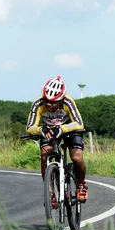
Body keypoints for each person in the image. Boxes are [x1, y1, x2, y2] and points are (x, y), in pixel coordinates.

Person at [26, 75, 88, 203]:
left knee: (77, 157)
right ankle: (50, 192)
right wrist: (41, 130)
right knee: (45, 153)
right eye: (46, 100)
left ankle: (81, 185)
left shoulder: (68, 102)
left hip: (69, 128)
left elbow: (79, 123)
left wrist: (61, 129)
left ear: (61, 99)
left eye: (53, 102)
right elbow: (29, 127)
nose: (48, 104)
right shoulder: (38, 104)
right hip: (48, 129)